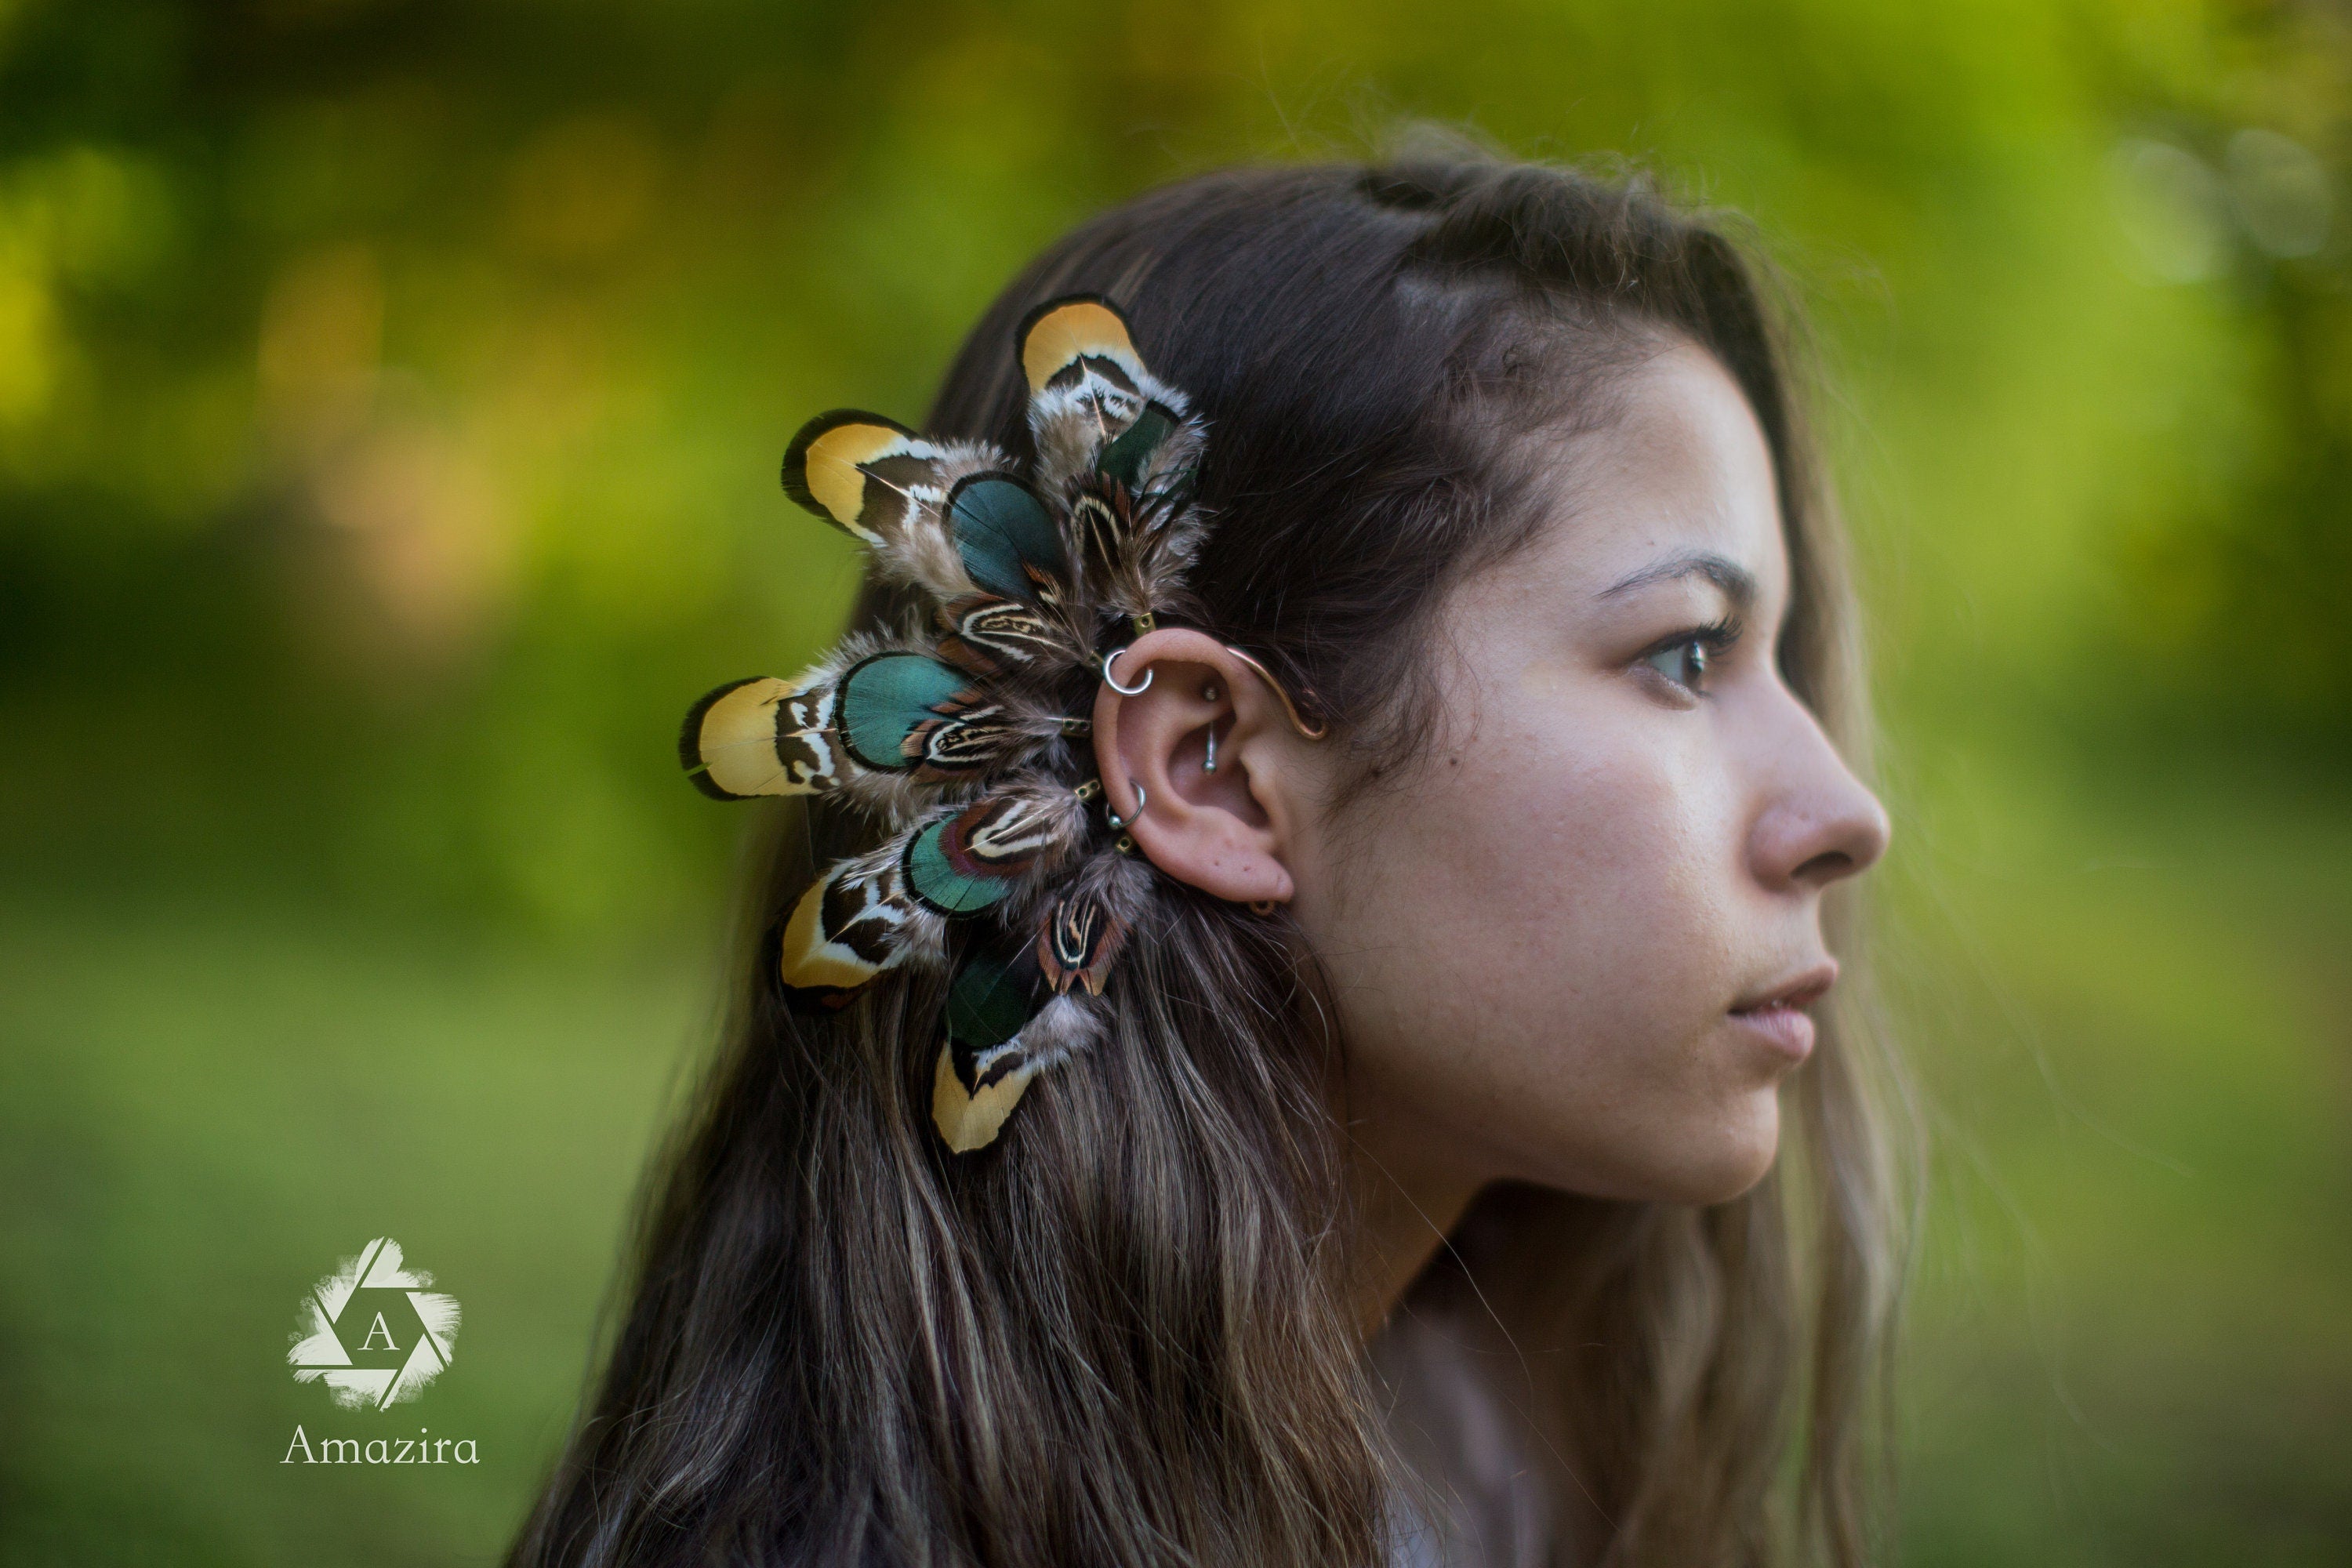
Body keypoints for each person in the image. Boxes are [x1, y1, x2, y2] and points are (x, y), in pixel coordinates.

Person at [510, 150, 1906, 1568]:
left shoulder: (1482, 1473)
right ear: (1212, 773)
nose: (1847, 809)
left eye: (1777, 660)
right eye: (1686, 652)